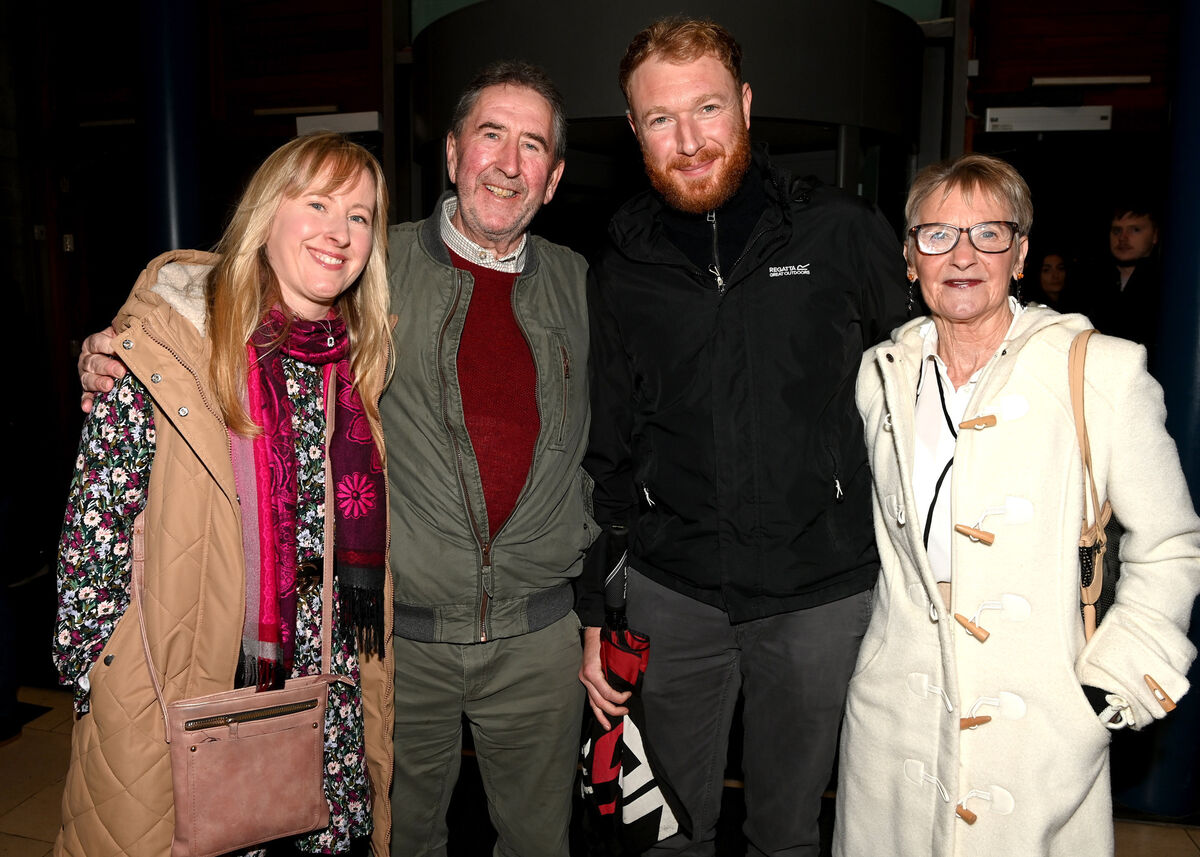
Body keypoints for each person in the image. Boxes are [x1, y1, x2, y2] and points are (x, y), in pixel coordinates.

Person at [78, 61, 593, 857]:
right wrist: (123, 342)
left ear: (553, 179)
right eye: (491, 134)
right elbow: (230, 292)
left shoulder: (581, 285)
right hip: (395, 639)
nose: (508, 161)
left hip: (517, 641)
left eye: (532, 146)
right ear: (454, 152)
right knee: (403, 834)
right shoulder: (376, 266)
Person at [578, 17, 907, 857]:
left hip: (820, 595)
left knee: (790, 834)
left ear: (748, 106)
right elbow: (609, 446)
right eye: (660, 119)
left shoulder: (841, 232)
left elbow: (923, 387)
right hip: (674, 594)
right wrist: (599, 606)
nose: (688, 141)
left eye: (708, 109)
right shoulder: (623, 265)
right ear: (633, 129)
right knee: (669, 834)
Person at [837, 153, 1200, 856]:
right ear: (911, 256)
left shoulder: (1100, 369)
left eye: (989, 234)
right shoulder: (881, 373)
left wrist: (1107, 686)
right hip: (896, 720)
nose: (963, 255)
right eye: (938, 234)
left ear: (1022, 252)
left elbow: (1172, 543)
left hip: (1041, 721)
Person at [55, 132, 394, 857]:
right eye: (320, 204)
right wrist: (107, 686)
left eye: (361, 216)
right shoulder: (166, 355)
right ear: (268, 215)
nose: (340, 231)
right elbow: (92, 545)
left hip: (323, 716)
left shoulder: (354, 372)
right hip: (192, 713)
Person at [1087, 204, 1163, 358]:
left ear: (1155, 235)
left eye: (1135, 230)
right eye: (1117, 230)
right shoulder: (1090, 282)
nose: (1122, 238)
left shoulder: (1168, 285)